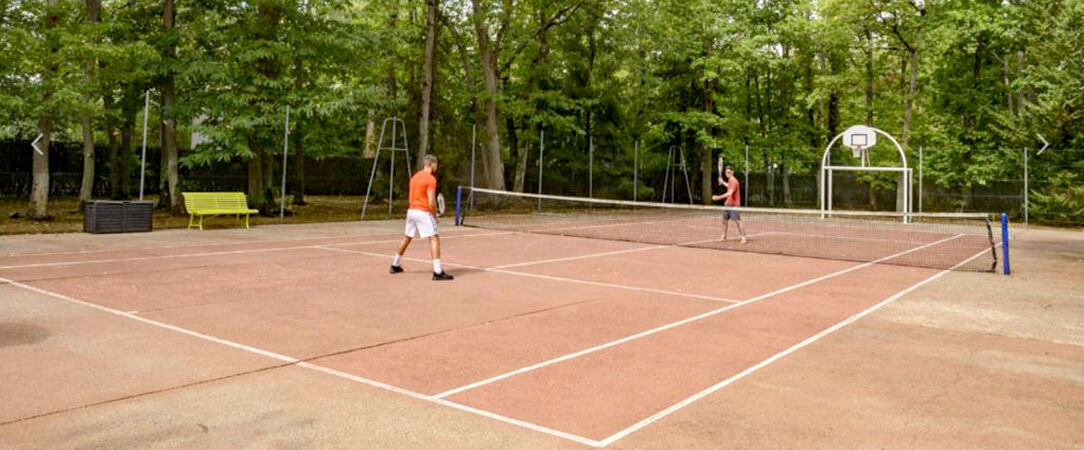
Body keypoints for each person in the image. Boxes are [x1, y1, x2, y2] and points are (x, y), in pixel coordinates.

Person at [390, 154, 454, 280]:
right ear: (432, 164)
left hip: (411, 211)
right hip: (423, 211)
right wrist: (434, 215)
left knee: (407, 237)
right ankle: (437, 272)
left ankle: (395, 265)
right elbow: (431, 201)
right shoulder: (431, 179)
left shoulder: (414, 177)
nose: (436, 166)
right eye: (436, 164)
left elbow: (411, 197)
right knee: (434, 237)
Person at [711, 166, 747, 244]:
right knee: (724, 221)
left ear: (732, 172)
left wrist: (718, 197)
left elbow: (730, 193)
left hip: (734, 205)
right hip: (727, 204)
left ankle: (743, 237)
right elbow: (729, 186)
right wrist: (722, 182)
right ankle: (724, 236)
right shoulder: (730, 180)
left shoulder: (733, 181)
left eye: (729, 172)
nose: (727, 174)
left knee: (738, 221)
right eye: (726, 172)